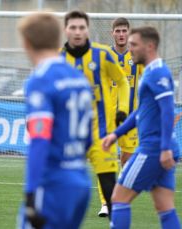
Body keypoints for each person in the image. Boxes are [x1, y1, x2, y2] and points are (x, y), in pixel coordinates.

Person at [16, 12, 92, 229]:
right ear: (58, 39)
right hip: (80, 181)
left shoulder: (40, 79)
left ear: (26, 42)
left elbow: (40, 139)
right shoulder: (78, 78)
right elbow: (88, 137)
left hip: (52, 184)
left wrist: (31, 192)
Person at [102, 26, 181, 229]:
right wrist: (116, 134)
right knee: (164, 207)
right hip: (161, 148)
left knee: (118, 198)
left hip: (153, 149)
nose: (130, 49)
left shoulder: (157, 73)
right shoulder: (150, 72)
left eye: (134, 45)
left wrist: (163, 148)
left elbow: (167, 111)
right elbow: (141, 111)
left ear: (150, 46)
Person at [59, 10, 130, 219]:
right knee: (64, 195)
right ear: (66, 30)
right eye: (73, 27)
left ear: (88, 30)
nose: (78, 32)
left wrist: (123, 109)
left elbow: (124, 82)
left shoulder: (102, 55)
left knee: (111, 194)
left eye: (82, 27)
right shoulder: (59, 59)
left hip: (102, 136)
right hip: (71, 138)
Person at [110, 17, 144, 167]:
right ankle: (107, 192)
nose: (121, 34)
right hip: (108, 117)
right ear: (112, 34)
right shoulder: (105, 56)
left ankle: (122, 189)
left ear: (129, 33)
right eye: (118, 31)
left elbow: (150, 75)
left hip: (130, 117)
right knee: (107, 163)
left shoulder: (136, 56)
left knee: (128, 162)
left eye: (124, 31)